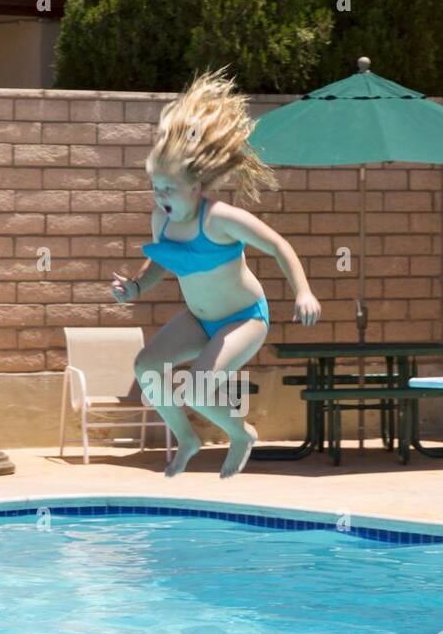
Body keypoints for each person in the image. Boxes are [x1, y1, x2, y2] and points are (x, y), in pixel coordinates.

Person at [111, 69, 321, 477]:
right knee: (146, 367)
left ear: (196, 187)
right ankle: (186, 438)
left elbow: (278, 245)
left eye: (168, 189)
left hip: (244, 319)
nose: (160, 197)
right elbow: (162, 262)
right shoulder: (164, 220)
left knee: (199, 388)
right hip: (199, 320)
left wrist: (303, 292)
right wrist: (136, 286)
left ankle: (241, 433)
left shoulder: (222, 219)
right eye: (155, 188)